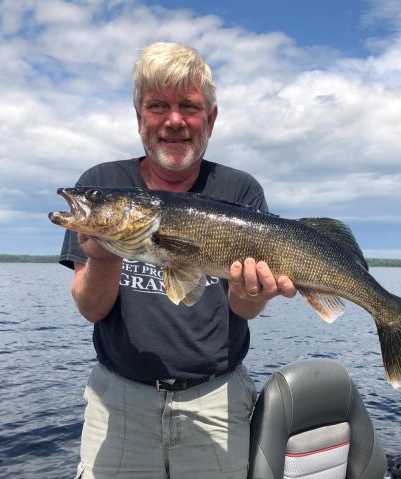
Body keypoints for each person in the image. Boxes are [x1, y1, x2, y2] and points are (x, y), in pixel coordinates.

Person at [59, 42, 296, 479]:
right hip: (119, 400)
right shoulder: (101, 182)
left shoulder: (240, 190)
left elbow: (242, 309)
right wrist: (106, 254)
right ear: (139, 118)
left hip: (217, 400)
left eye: (189, 106)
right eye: (157, 106)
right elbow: (91, 309)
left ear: (211, 118)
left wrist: (253, 295)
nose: (174, 120)